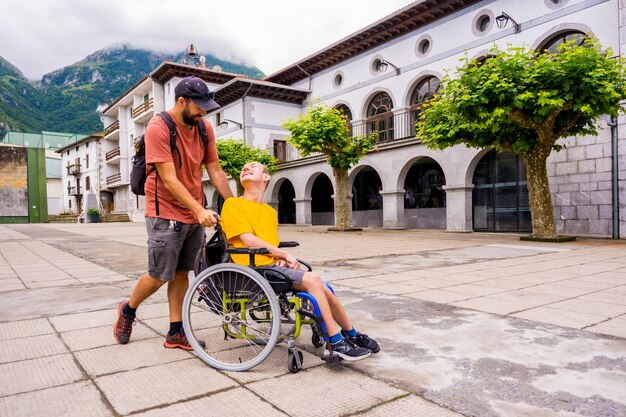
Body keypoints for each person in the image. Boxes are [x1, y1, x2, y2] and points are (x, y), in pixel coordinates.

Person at [114, 76, 233, 350]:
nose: (204, 112)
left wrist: (235, 205)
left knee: (182, 273)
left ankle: (175, 332)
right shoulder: (159, 127)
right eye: (199, 106)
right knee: (159, 274)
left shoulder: (203, 128)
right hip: (164, 212)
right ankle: (128, 310)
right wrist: (199, 209)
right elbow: (168, 178)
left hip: (193, 212)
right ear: (182, 101)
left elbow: (214, 169)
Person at [220, 161, 380, 361]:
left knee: (324, 288)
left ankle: (352, 334)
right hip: (250, 269)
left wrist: (281, 259)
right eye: (243, 167)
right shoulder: (233, 204)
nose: (245, 168)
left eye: (253, 166)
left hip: (269, 267)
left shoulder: (269, 212)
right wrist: (283, 255)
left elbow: (270, 243)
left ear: (266, 177)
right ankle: (336, 342)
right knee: (313, 279)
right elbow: (248, 240)